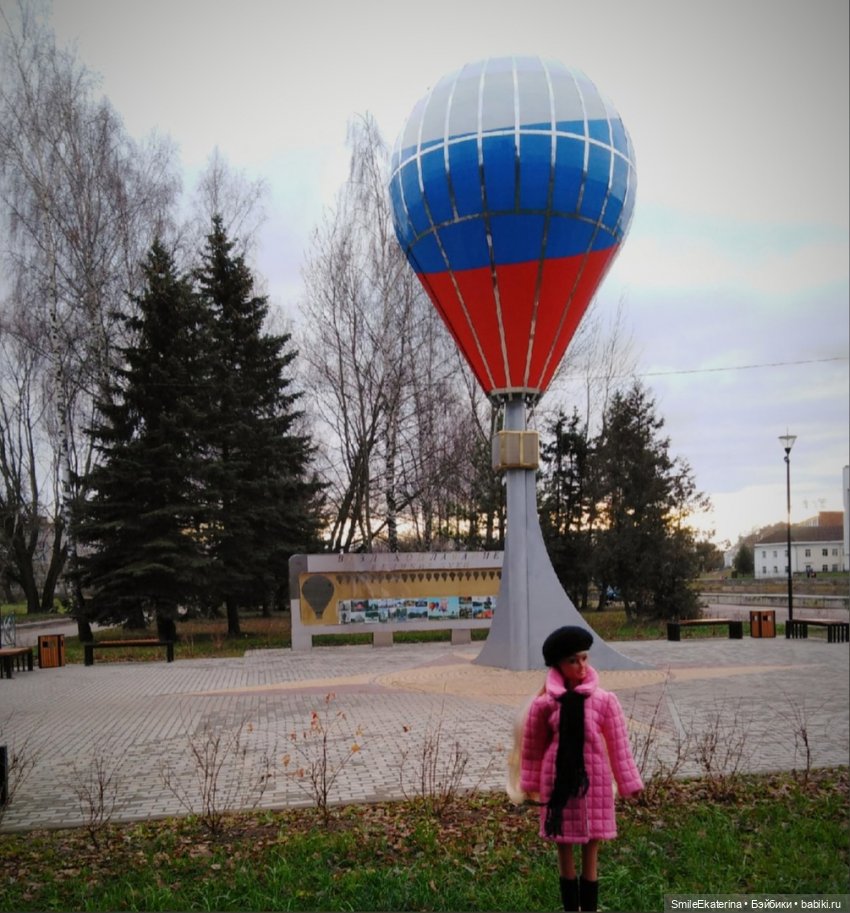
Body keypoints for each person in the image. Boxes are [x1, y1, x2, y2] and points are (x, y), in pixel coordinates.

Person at [520, 625, 643, 912]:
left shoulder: (604, 701)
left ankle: (589, 907)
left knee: (592, 844)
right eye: (573, 660)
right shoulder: (545, 704)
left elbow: (619, 746)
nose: (581, 666)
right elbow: (533, 748)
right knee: (563, 844)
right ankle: (569, 908)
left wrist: (629, 783)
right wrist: (530, 785)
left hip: (595, 781)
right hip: (557, 783)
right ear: (559, 666)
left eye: (584, 658)